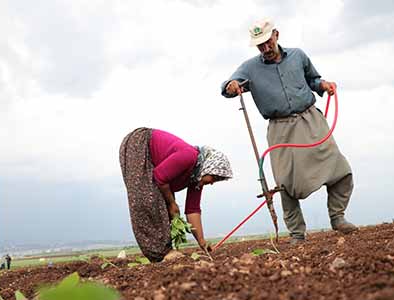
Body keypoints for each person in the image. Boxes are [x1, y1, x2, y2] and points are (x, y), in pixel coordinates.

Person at [221, 18, 357, 244]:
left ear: (276, 34)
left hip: (311, 119)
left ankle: (338, 217)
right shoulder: (250, 68)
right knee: (285, 182)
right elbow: (228, 86)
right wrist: (231, 86)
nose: (265, 48)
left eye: (267, 41)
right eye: (259, 45)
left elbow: (313, 79)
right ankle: (296, 233)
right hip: (280, 128)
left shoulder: (298, 56)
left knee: (340, 170)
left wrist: (323, 85)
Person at [119, 127, 233, 262]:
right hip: (139, 144)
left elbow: (192, 211)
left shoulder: (196, 178)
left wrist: (202, 242)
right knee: (147, 199)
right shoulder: (189, 156)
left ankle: (162, 254)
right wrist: (172, 203)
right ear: (209, 168)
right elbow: (160, 176)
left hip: (156, 166)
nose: (212, 183)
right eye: (214, 178)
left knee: (161, 205)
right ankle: (162, 254)